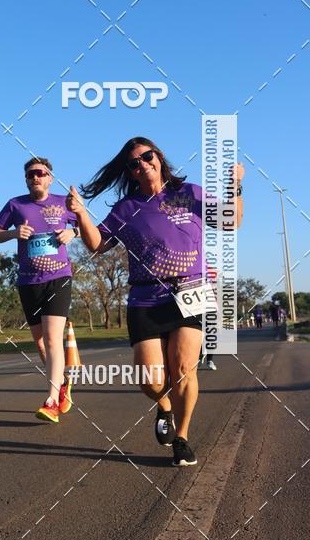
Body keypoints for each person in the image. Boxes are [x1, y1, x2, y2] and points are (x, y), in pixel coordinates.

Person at [67, 137, 244, 467]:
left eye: (147, 156)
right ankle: (164, 406)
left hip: (191, 292)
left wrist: (235, 186)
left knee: (182, 369)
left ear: (159, 157)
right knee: (151, 380)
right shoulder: (127, 208)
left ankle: (182, 438)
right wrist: (80, 214)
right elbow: (97, 245)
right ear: (130, 172)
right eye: (134, 162)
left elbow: (230, 221)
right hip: (145, 297)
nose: (142, 163)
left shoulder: (188, 193)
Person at [0, 157, 79, 423]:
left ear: (50, 177)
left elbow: (84, 226)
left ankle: (51, 400)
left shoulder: (63, 202)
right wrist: (13, 233)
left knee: (53, 339)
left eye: (40, 173)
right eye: (30, 174)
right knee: (41, 343)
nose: (35, 177)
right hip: (28, 281)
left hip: (58, 277)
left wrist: (72, 233)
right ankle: (62, 384)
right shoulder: (15, 204)